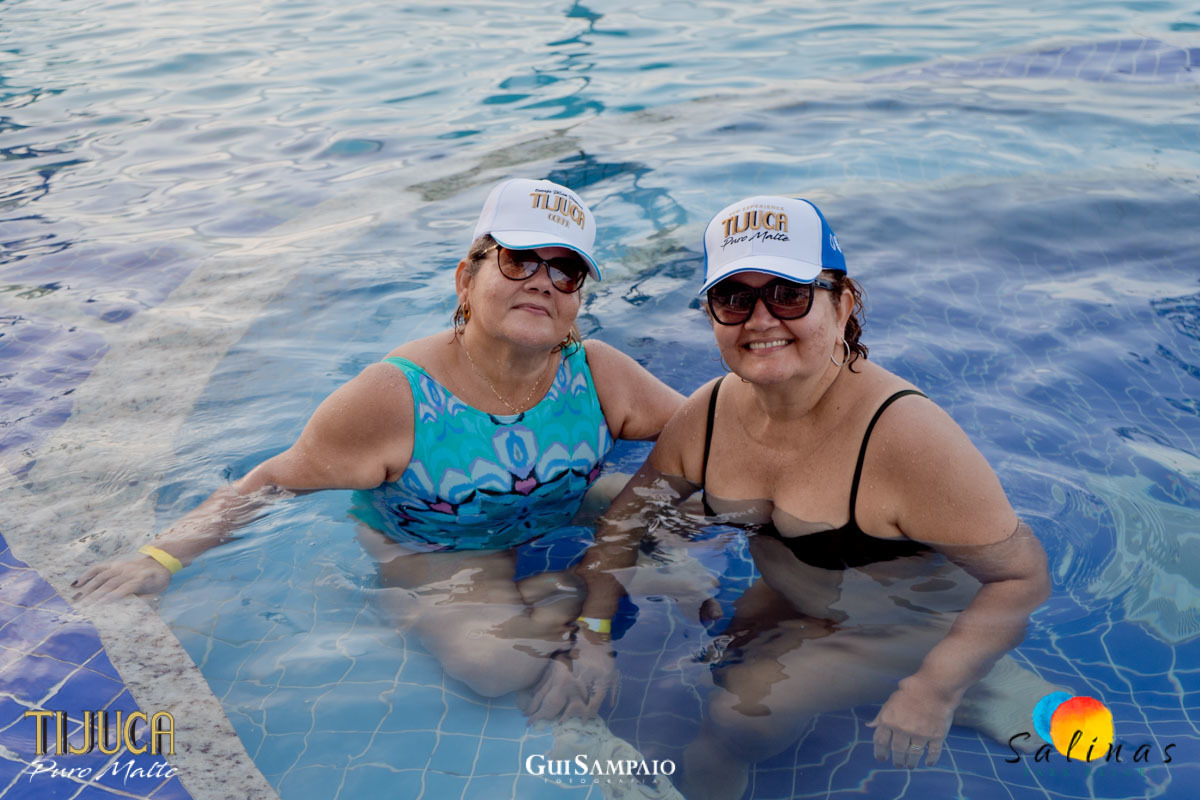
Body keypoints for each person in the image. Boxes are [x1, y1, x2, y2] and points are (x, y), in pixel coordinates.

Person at [74, 178, 684, 712]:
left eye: (566, 270)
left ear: (577, 300)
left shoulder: (600, 372)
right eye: (520, 260)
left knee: (691, 520)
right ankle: (508, 592)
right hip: (443, 547)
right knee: (500, 668)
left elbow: (705, 433)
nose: (543, 283)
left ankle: (593, 576)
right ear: (466, 281)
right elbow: (273, 480)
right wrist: (158, 560)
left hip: (558, 506)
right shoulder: (394, 396)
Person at [571, 195, 1062, 799]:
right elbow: (627, 522)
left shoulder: (905, 437)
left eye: (789, 294)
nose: (760, 318)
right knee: (703, 675)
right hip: (792, 593)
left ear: (843, 302)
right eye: (734, 297)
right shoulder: (711, 413)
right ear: (711, 315)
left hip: (909, 623)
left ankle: (979, 680)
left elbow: (1022, 578)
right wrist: (593, 634)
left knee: (736, 722)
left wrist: (932, 688)